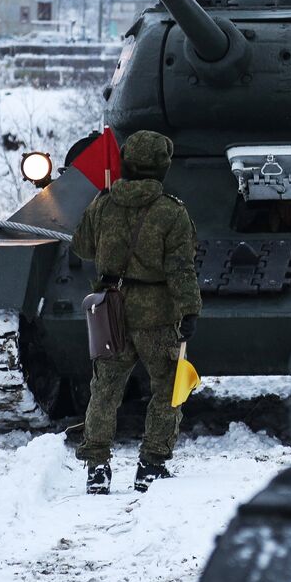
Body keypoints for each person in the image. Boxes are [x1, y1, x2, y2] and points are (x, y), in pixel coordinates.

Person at [71, 130, 201, 494]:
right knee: (167, 388)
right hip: (157, 315)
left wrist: (98, 203)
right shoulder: (171, 211)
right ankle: (151, 465)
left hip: (110, 309)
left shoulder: (105, 203)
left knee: (105, 390)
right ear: (163, 167)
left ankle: (97, 467)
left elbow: (81, 247)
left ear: (126, 163)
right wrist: (190, 309)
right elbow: (180, 268)